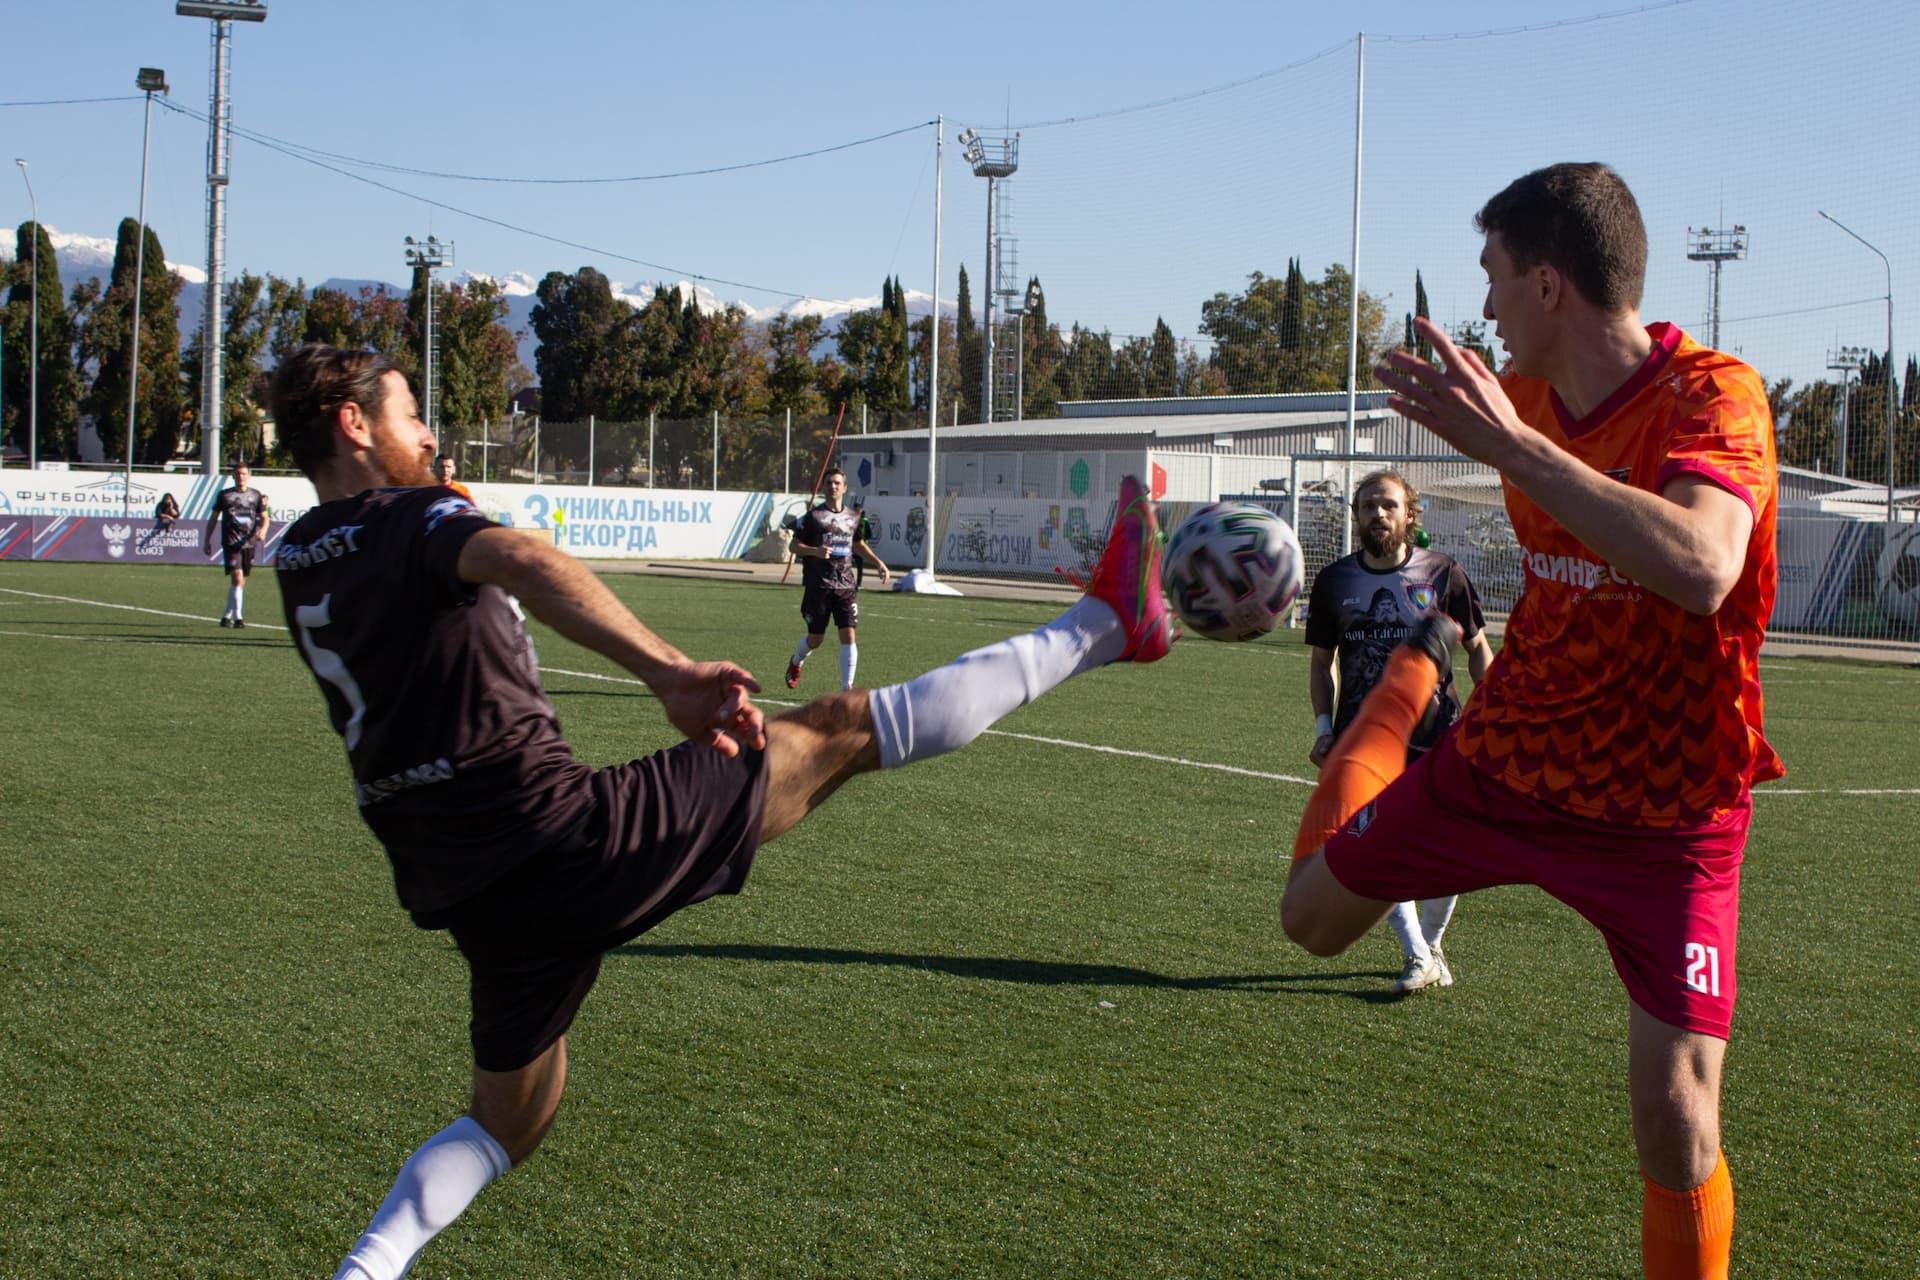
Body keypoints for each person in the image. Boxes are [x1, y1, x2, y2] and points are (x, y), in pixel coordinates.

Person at [265, 342, 1175, 1280]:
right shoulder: (417, 517)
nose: (427, 434)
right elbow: (524, 557)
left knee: (508, 1122)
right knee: (835, 732)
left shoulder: (297, 557)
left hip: (473, 894)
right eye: (412, 414)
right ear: (354, 424)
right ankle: (1110, 622)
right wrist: (670, 672)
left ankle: (367, 1270)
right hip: (566, 838)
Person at [1282, 163, 1779, 1279]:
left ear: (1549, 283)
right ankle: (1404, 683)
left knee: (1679, 1120)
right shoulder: (1528, 398)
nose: (1486, 306)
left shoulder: (1713, 396)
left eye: (1495, 278)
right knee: (1309, 919)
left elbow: (1703, 566)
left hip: (1670, 802)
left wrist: (1514, 446)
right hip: (1511, 758)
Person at [1303, 469, 1493, 994]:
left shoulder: (1443, 573)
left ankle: (1430, 945)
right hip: (1363, 742)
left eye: (1388, 505)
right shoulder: (1335, 582)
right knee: (1378, 848)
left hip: (1441, 734)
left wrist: (1494, 710)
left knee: (1450, 847)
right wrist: (1323, 728)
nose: (1377, 514)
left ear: (1411, 514)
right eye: (1367, 506)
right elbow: (1323, 665)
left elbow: (1477, 649)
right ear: (1356, 517)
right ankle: (1416, 954)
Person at [784, 467, 891, 691]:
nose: (833, 486)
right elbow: (794, 545)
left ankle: (847, 689)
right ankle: (796, 661)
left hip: (845, 585)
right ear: (824, 487)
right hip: (818, 586)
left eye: (837, 483)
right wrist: (815, 551)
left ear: (844, 487)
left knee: (849, 633)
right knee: (816, 639)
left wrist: (878, 563)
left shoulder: (854, 517)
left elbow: (858, 545)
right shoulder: (813, 517)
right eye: (829, 483)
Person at [202, 461, 270, 628]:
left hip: (249, 543)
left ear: (248, 476)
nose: (241, 477)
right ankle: (239, 618)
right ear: (233, 476)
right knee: (238, 578)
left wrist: (263, 530)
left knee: (240, 581)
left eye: (244, 474)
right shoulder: (224, 495)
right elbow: (213, 518)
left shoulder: (255, 495)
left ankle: (226, 616)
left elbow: (265, 517)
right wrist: (207, 539)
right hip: (231, 543)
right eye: (238, 474)